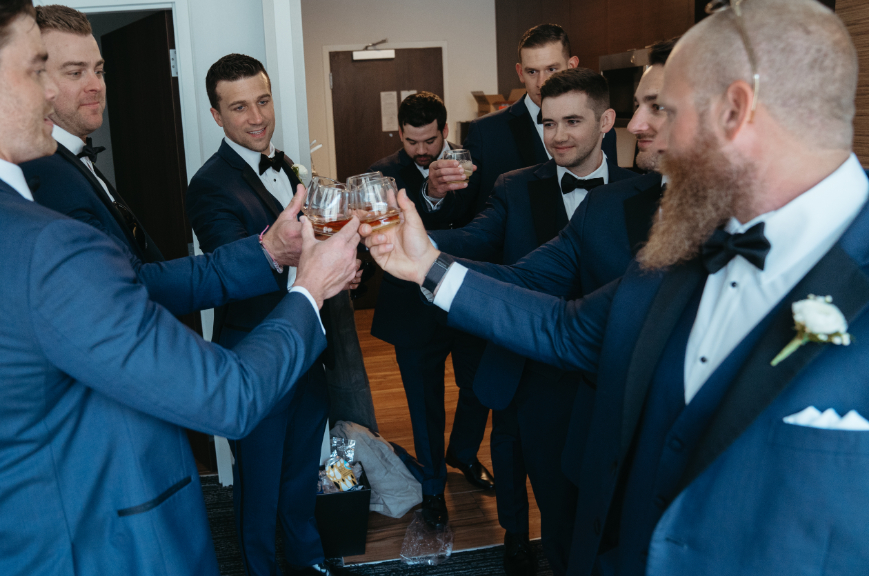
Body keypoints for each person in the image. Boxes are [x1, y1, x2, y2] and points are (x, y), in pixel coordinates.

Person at [364, 0, 869, 575]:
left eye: (666, 111)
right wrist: (428, 266)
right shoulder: (685, 246)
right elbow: (564, 328)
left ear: (735, 111)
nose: (638, 127)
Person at [0, 0, 361, 576]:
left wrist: (267, 254)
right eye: (37, 70)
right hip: (104, 550)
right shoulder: (46, 245)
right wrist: (311, 286)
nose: (53, 90)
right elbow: (228, 398)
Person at [429, 68, 636, 576]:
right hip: (536, 377)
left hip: (614, 382)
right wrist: (413, 241)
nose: (558, 136)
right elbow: (476, 243)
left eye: (572, 121)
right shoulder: (515, 187)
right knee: (553, 508)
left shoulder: (641, 193)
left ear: (607, 121)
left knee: (616, 515)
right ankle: (523, 541)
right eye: (548, 123)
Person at [185, 54, 360, 576]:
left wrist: (339, 271)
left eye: (263, 101)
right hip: (253, 354)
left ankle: (308, 564)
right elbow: (233, 267)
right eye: (239, 107)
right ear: (217, 116)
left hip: (309, 347)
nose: (256, 116)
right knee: (258, 485)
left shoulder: (288, 167)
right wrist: (312, 269)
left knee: (302, 473)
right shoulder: (209, 185)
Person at [367, 92, 494, 529]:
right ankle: (433, 486)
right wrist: (429, 195)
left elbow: (485, 224)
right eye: (411, 141)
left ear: (445, 132)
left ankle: (463, 451)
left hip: (466, 299)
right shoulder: (383, 175)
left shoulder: (475, 165)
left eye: (429, 141)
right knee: (424, 405)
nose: (421, 151)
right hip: (412, 309)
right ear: (399, 135)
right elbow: (396, 229)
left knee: (480, 386)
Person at [21, 4, 167, 266]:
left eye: (99, 71)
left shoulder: (76, 155)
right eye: (76, 73)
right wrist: (263, 252)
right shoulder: (46, 175)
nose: (96, 86)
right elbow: (127, 281)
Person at [457, 24, 619, 220]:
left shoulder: (603, 131)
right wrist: (433, 193)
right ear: (520, 72)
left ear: (572, 66)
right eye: (532, 72)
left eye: (552, 69)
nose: (542, 82)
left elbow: (610, 198)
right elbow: (459, 208)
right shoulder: (486, 131)